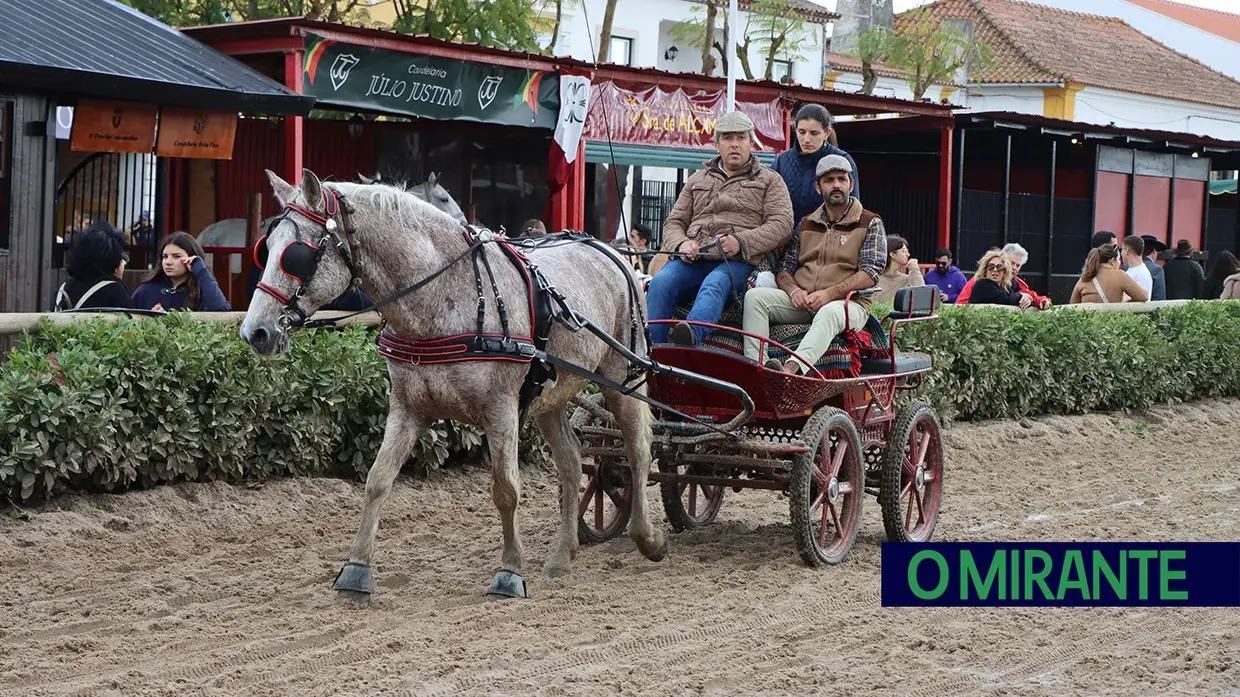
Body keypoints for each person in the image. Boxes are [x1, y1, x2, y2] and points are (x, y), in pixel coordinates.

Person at [647, 110, 795, 346]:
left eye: (741, 138)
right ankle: (652, 351)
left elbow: (783, 225)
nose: (734, 145)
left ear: (751, 143)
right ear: (717, 144)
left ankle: (689, 338)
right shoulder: (697, 179)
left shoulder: (770, 180)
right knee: (660, 282)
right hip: (693, 261)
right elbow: (674, 222)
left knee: (715, 284)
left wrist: (742, 241)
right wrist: (682, 243)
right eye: (727, 138)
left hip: (737, 263)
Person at [741, 154, 886, 373]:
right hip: (804, 300)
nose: (836, 185)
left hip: (849, 304)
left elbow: (870, 272)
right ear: (818, 188)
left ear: (851, 184)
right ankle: (759, 369)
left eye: (841, 179)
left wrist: (828, 294)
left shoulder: (869, 222)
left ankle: (791, 370)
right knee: (755, 298)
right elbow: (784, 270)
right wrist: (794, 291)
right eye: (829, 180)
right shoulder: (806, 223)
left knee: (829, 312)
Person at [771, 104, 861, 227]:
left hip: (827, 238)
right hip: (786, 238)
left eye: (814, 133)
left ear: (827, 133)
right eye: (802, 132)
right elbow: (770, 205)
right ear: (795, 130)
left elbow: (853, 210)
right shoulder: (781, 161)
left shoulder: (842, 161)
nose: (806, 139)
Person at [133, 232, 232, 312]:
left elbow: (220, 309)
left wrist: (201, 271)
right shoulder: (146, 290)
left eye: (176, 256)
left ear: (191, 258)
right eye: (165, 257)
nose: (168, 262)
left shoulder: (203, 291)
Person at [55, 222, 133, 311]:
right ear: (112, 262)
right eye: (121, 260)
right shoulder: (115, 291)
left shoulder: (63, 289)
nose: (123, 265)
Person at [955, 242, 1052, 309]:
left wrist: (1041, 300)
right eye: (1011, 263)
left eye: (1018, 265)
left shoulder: (1014, 283)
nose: (1014, 267)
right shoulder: (981, 281)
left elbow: (1029, 295)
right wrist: (1023, 297)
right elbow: (1006, 298)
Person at [1070, 243, 1149, 304]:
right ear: (1112, 260)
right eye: (1118, 259)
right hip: (1110, 323)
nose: (1120, 262)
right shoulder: (1120, 275)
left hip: (1089, 323)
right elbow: (1144, 297)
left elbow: (1073, 304)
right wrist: (1124, 304)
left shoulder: (1084, 278)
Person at [966, 250, 1031, 307]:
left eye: (1000, 267)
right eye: (991, 267)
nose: (995, 270)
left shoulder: (1006, 286)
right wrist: (1022, 296)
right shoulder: (982, 284)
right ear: (985, 270)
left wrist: (1027, 298)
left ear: (1005, 271)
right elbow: (1005, 299)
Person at [873, 234, 924, 304]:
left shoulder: (907, 279)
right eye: (904, 251)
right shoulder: (874, 278)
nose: (908, 254)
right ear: (893, 254)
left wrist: (913, 267)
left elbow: (922, 295)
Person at [1138, 235, 1168, 301]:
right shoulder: (1157, 270)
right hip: (1147, 309)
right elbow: (1159, 297)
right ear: (1154, 251)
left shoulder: (1126, 267)